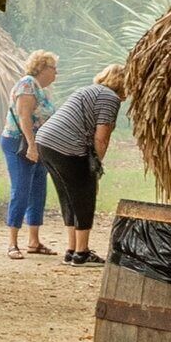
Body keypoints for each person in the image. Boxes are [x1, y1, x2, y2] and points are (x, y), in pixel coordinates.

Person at [33, 63, 131, 266]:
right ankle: (81, 253)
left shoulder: (87, 90)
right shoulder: (110, 98)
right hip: (67, 146)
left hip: (45, 142)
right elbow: (101, 137)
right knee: (84, 196)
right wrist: (95, 167)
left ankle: (71, 249)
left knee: (68, 196)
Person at [1, 50, 58, 259]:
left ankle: (34, 241)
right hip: (20, 144)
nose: (56, 73)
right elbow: (24, 116)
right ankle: (12, 243)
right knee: (21, 189)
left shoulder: (41, 90)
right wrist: (32, 146)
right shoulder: (27, 84)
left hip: (37, 144)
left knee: (38, 190)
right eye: (54, 68)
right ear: (42, 68)